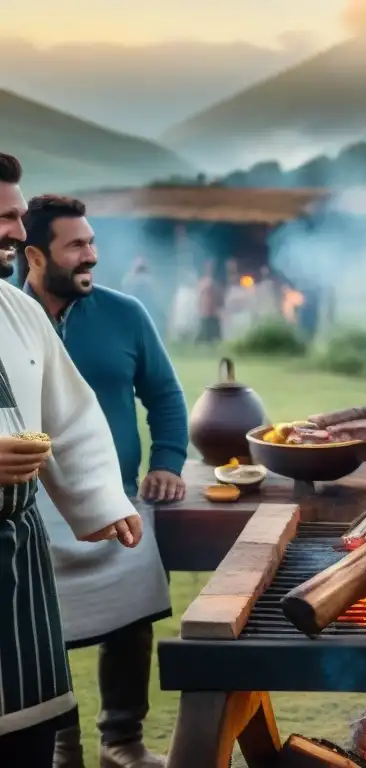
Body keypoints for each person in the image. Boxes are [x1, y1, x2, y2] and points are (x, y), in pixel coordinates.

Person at [18, 195, 188, 768]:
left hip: (119, 496)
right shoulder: (8, 321)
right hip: (27, 509)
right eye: (77, 246)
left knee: (132, 619)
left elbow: (164, 395)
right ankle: (65, 747)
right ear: (34, 254)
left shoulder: (126, 314)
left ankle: (123, 742)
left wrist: (166, 459)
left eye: (92, 242)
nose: (91, 255)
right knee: (42, 633)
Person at [0, 152, 145, 767]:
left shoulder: (16, 310)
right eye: (5, 216)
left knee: (28, 734)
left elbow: (72, 415)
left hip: (18, 558)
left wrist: (102, 498)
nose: (16, 230)